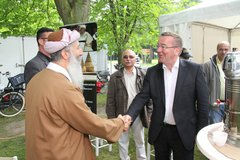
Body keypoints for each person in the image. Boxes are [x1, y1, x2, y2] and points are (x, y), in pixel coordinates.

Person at [25, 28, 130, 160]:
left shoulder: (36, 79)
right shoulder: (63, 87)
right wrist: (119, 123)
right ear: (65, 54)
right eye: (77, 48)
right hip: (60, 153)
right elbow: (89, 122)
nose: (81, 53)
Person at [124, 32, 209, 160]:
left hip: (184, 132)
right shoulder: (152, 72)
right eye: (158, 46)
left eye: (163, 46)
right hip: (160, 131)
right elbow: (142, 97)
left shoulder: (195, 70)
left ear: (177, 50)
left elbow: (203, 105)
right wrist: (129, 116)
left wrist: (201, 133)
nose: (158, 50)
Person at [106, 49, 152, 160]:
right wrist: (113, 119)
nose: (128, 59)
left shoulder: (143, 74)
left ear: (135, 58)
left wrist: (150, 114)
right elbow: (110, 100)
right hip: (121, 115)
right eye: (125, 57)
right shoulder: (115, 77)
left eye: (131, 57)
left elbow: (149, 97)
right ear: (122, 59)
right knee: (122, 142)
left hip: (138, 115)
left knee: (140, 140)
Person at [202, 41, 230, 124]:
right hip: (215, 106)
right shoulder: (208, 65)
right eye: (221, 49)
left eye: (226, 49)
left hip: (230, 106)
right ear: (217, 50)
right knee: (214, 129)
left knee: (229, 130)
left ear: (230, 50)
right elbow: (203, 87)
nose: (223, 52)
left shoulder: (234, 65)